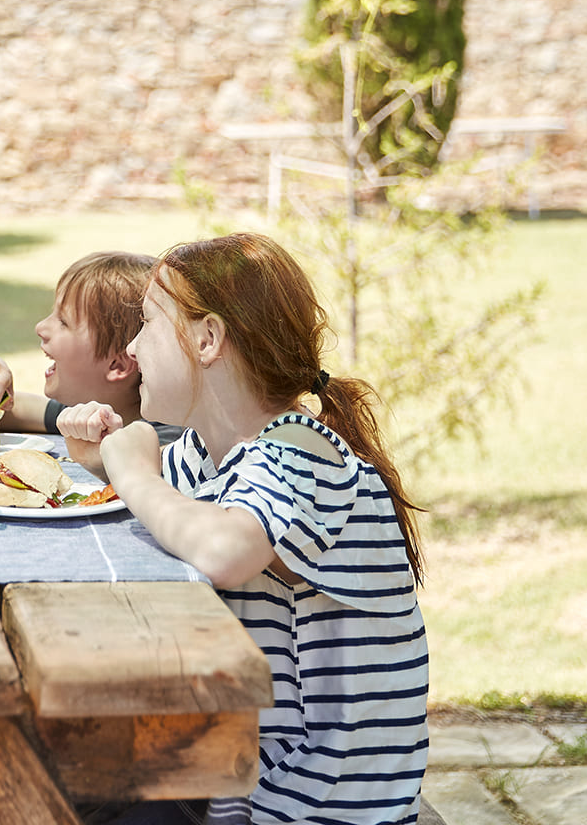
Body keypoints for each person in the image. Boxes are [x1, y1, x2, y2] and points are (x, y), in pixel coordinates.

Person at [60, 233, 429, 825]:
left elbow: (226, 549)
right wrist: (105, 459)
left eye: (147, 326)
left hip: (315, 810)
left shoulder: (304, 454)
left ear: (208, 340)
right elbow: (168, 511)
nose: (132, 346)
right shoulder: (210, 459)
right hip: (245, 788)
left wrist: (132, 472)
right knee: (66, 784)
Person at [0, 250, 181, 445]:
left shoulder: (169, 444)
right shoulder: (83, 413)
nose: (40, 327)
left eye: (64, 322)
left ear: (117, 365)